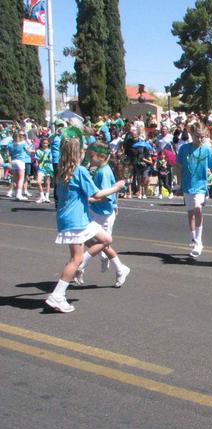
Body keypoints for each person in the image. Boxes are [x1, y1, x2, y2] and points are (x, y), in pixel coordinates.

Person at [45, 133, 128, 313]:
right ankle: (57, 295)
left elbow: (79, 196)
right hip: (77, 219)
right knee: (76, 259)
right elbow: (96, 194)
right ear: (77, 153)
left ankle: (90, 264)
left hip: (71, 217)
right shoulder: (80, 171)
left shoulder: (61, 170)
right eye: (82, 150)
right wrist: (117, 187)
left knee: (105, 239)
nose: (84, 153)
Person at [74, 141, 129, 283]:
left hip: (103, 214)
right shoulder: (98, 170)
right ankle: (114, 265)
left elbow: (103, 195)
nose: (89, 160)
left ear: (101, 157)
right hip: (95, 211)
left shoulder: (104, 172)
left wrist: (87, 199)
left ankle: (83, 266)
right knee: (88, 239)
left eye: (91, 157)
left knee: (103, 244)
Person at [177, 124, 212, 258]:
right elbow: (178, 166)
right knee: (190, 213)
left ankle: (199, 241)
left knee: (198, 208)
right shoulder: (184, 148)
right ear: (191, 134)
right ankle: (193, 238)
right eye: (198, 136)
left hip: (201, 186)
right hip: (187, 185)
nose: (200, 139)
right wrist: (178, 183)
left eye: (203, 137)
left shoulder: (207, 150)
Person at [35, 137, 53, 203]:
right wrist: (43, 156)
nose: (45, 144)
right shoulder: (38, 151)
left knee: (47, 183)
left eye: (46, 143)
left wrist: (49, 157)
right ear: (41, 143)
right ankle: (42, 196)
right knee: (38, 182)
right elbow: (38, 161)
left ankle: (47, 197)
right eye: (43, 143)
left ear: (48, 143)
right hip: (41, 168)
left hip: (48, 168)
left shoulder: (50, 150)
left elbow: (51, 160)